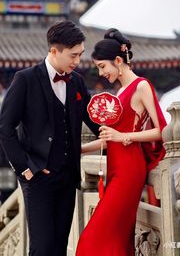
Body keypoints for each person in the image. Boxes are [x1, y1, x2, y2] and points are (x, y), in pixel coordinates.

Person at [0, 20, 99, 256]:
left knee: (58, 247)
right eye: (73, 55)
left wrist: (123, 134)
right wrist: (24, 168)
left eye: (80, 55)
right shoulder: (25, 79)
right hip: (37, 177)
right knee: (41, 247)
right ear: (54, 51)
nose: (77, 61)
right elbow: (5, 127)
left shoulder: (77, 82)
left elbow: (94, 121)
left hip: (68, 176)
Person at [76, 28, 167, 256]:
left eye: (102, 66)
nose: (101, 73)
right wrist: (78, 150)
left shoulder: (141, 86)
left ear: (118, 60)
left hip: (129, 170)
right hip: (115, 169)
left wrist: (124, 136)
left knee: (91, 239)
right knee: (117, 238)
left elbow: (161, 131)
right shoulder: (120, 93)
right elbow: (109, 139)